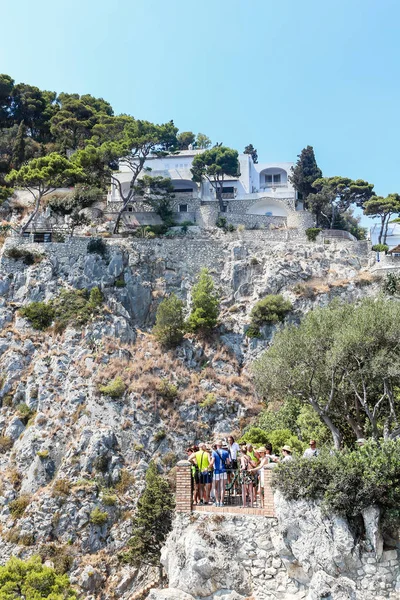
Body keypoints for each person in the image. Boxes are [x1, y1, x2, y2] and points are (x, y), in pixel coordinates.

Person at [210, 439, 230, 507]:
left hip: (216, 471)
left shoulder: (214, 452)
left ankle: (217, 501)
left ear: (216, 445)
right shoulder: (226, 452)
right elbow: (228, 462)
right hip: (224, 471)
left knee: (214, 487)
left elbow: (212, 462)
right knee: (223, 487)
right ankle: (221, 502)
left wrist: (208, 467)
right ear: (221, 445)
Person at [239, 443, 256, 508]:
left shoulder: (242, 458)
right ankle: (251, 504)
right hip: (250, 473)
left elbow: (243, 467)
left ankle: (244, 504)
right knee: (250, 490)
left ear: (241, 451)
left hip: (244, 474)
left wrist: (240, 469)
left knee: (244, 490)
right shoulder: (248, 457)